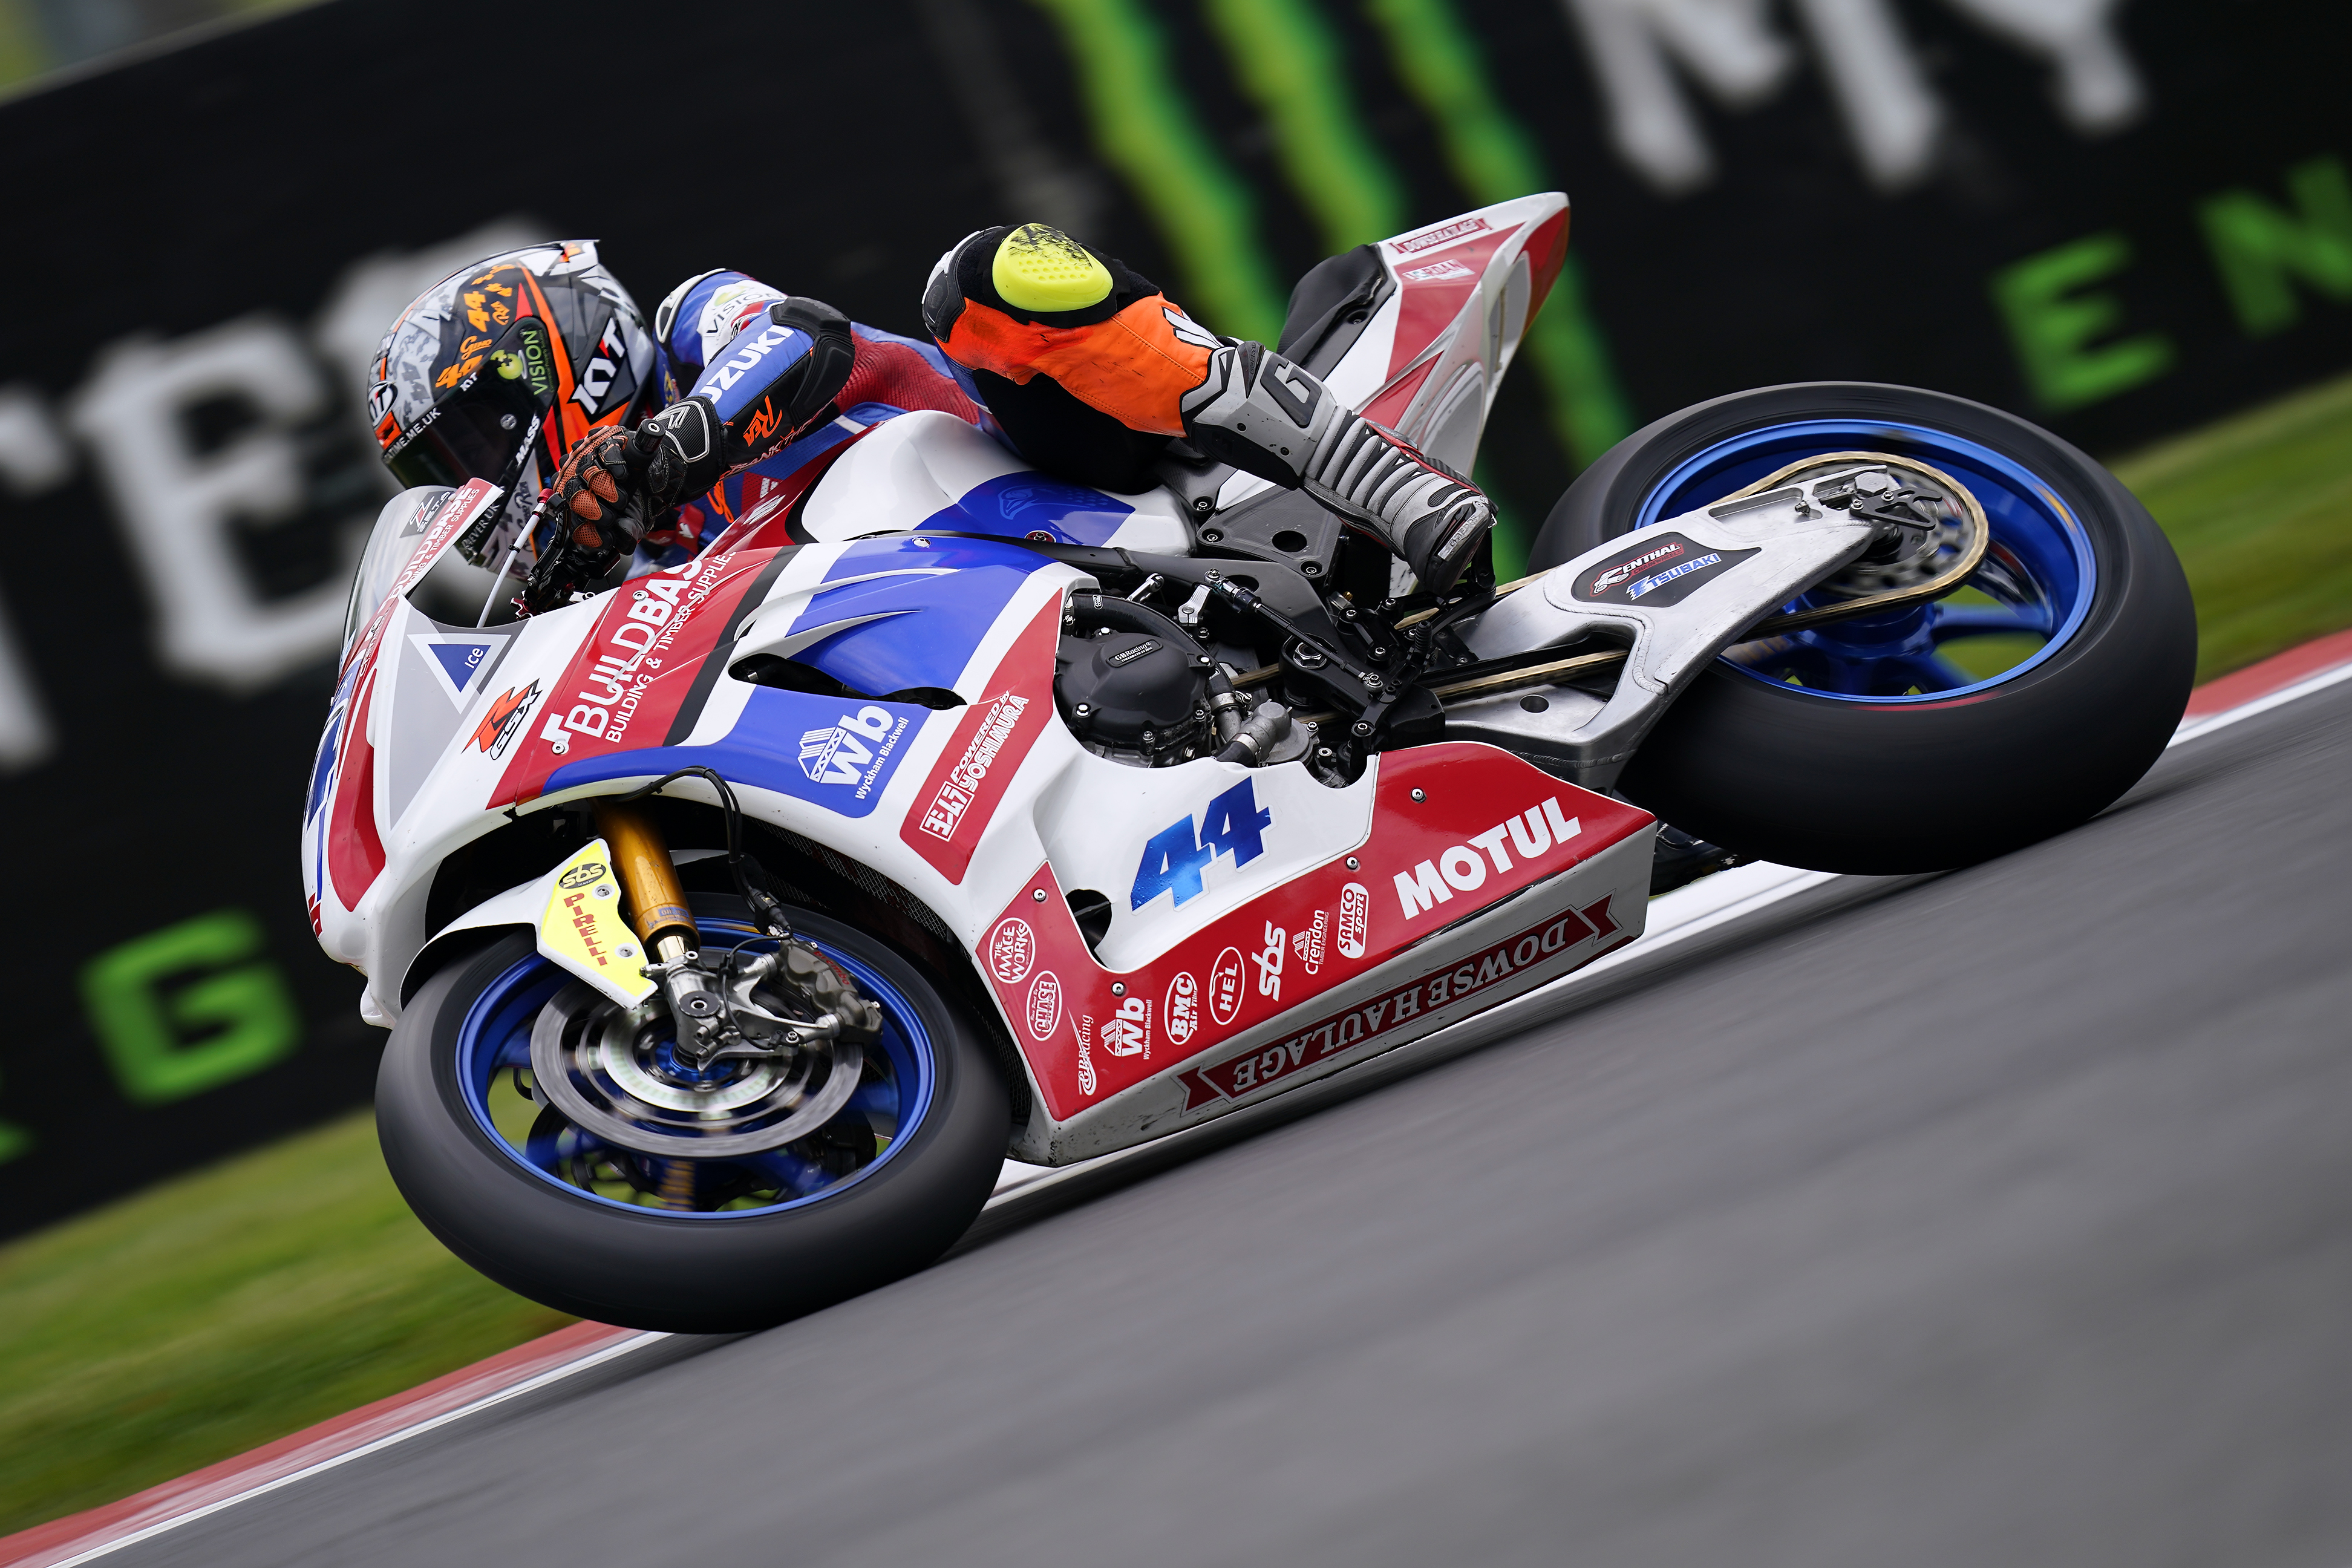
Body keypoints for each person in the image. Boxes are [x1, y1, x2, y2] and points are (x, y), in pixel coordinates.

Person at [540, 223, 1495, 596]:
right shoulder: (630, 587)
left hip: (1053, 468)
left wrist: (667, 454)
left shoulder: (695, 329)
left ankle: (1392, 485)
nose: (481, 480)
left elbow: (814, 341)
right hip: (962, 645)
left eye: (477, 439)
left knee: (981, 276)